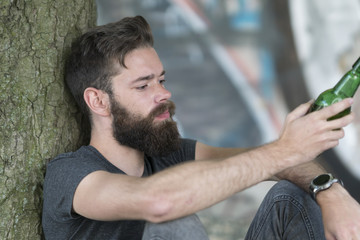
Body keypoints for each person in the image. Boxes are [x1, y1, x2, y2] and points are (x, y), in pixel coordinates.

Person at [42, 16, 360, 240]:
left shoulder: (171, 153)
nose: (164, 93)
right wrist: (283, 150)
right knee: (175, 226)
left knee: (291, 197)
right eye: (143, 86)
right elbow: (159, 201)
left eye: (162, 80)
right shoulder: (71, 174)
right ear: (98, 102)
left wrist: (330, 191)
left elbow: (281, 164)